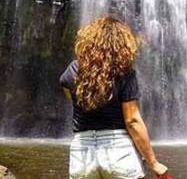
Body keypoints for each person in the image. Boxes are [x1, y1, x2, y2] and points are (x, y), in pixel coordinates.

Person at [60, 15, 170, 179]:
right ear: (121, 44)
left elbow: (68, 93)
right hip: (117, 148)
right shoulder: (124, 72)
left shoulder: (73, 69)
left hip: (81, 151)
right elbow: (132, 120)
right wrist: (153, 163)